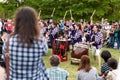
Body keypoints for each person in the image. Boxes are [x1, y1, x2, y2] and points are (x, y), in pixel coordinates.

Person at [2, 7, 49, 80]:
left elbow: (4, 58)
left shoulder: (8, 40)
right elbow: (45, 52)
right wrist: (38, 31)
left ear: (17, 21)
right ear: (34, 22)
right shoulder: (40, 40)